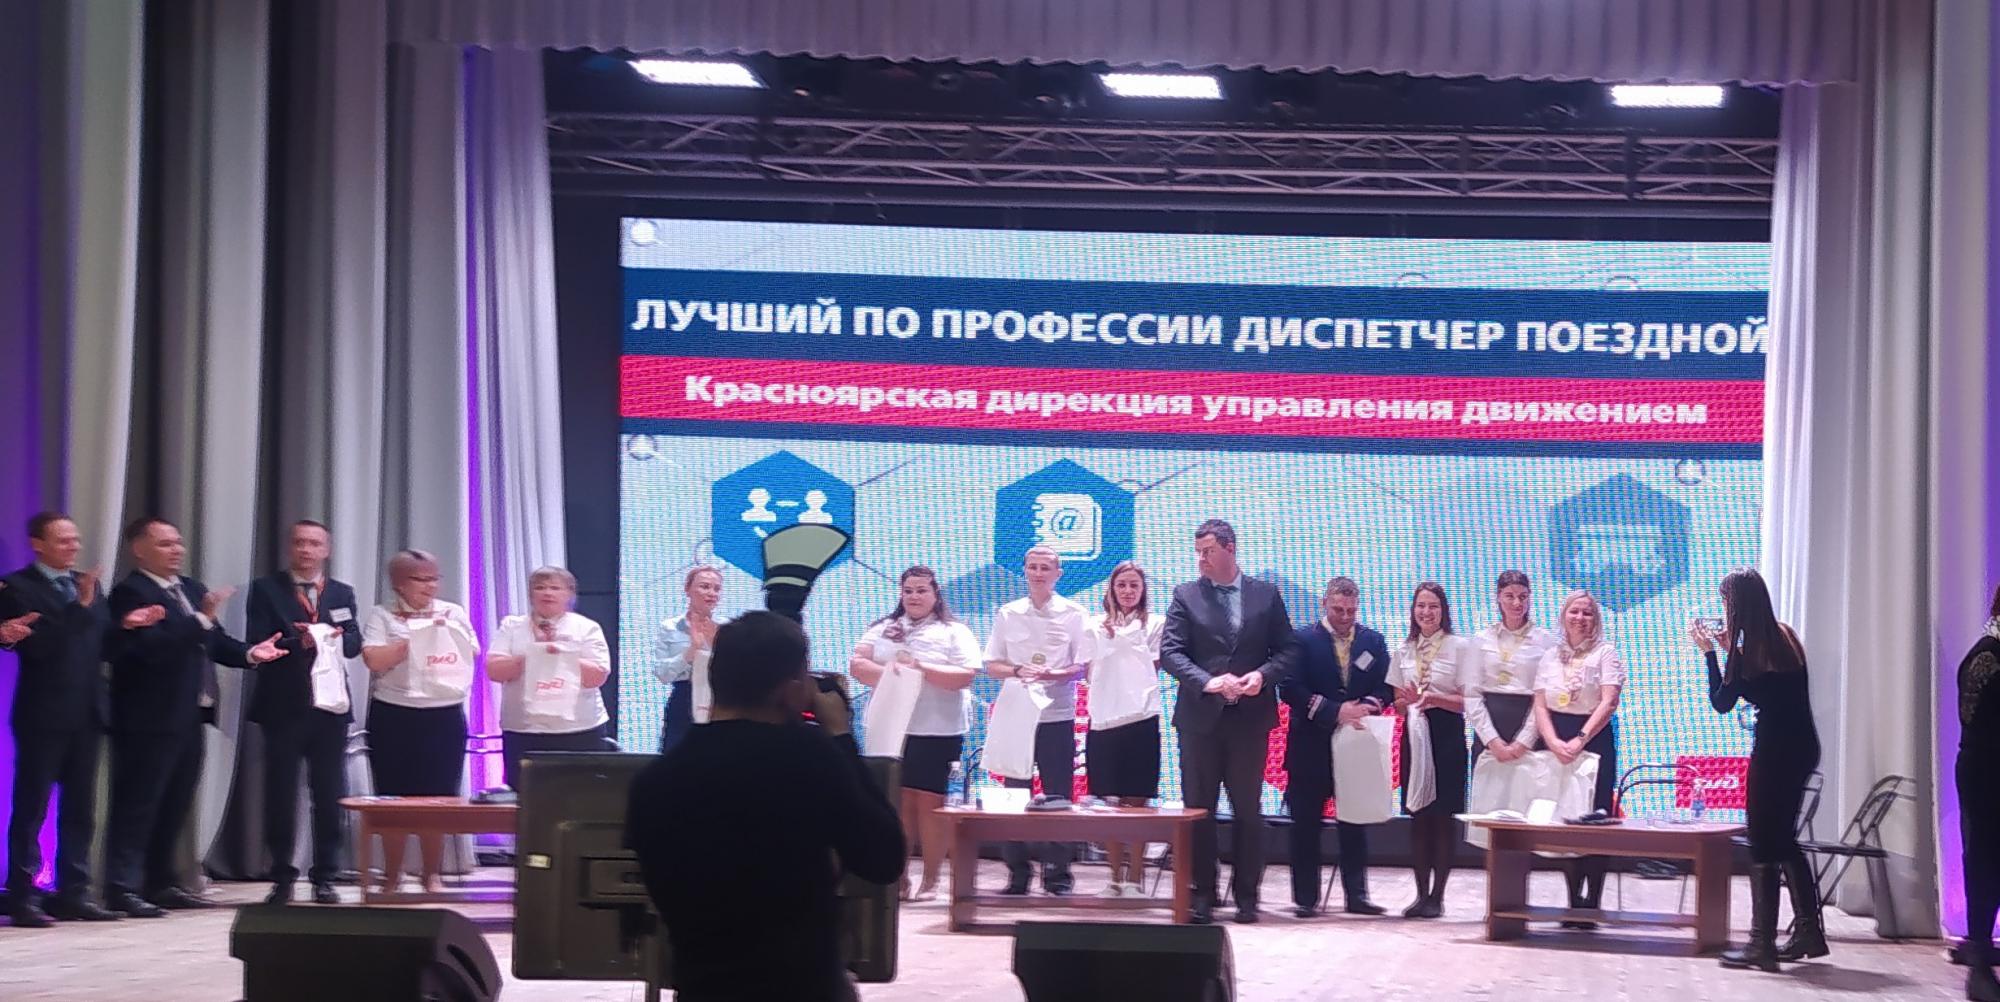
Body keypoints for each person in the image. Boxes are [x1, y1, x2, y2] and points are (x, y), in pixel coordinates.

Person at [628, 611, 905, 1002]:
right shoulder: (809, 759)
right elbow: (883, 858)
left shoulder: (656, 780)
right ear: (791, 690)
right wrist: (841, 737)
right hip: (803, 986)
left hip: (703, 986)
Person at [105, 517, 281, 917]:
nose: (176, 550)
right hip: (147, 718)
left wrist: (251, 654)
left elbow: (213, 642)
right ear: (139, 549)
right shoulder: (130, 593)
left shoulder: (190, 589)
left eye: (178, 542)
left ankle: (160, 881)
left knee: (175, 802)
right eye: (165, 544)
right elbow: (150, 649)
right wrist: (199, 620)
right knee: (139, 803)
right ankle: (121, 886)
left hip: (190, 715)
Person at [1160, 519, 1296, 925]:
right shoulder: (1185, 595)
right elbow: (1171, 653)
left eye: (1208, 551)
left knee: (1248, 811)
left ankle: (1247, 896)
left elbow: (1288, 651)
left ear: (1230, 548)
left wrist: (1261, 677)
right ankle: (1203, 892)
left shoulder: (1265, 594)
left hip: (1249, 720)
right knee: (1198, 810)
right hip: (1200, 719)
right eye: (1198, 552)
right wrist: (1208, 681)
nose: (1201, 559)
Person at [1692, 568, 1823, 972]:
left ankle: (1760, 943)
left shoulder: (1746, 652)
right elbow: (1765, 686)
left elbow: (1722, 702)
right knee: (1784, 839)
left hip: (1774, 753)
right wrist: (1732, 651)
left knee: (1763, 841)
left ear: (1736, 605)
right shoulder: (1784, 637)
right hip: (1803, 748)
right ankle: (1808, 932)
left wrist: (1711, 654)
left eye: (1725, 602)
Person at [0, 512, 117, 925]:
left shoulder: (87, 584)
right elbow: (39, 646)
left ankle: (74, 891)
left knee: (81, 808)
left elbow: (100, 642)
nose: (73, 547)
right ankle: (23, 894)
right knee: (32, 806)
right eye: (64, 540)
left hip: (87, 712)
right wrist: (80, 608)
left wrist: (128, 627)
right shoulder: (17, 588)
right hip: (43, 713)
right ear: (38, 544)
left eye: (75, 539)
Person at [243, 520, 363, 906]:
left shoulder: (341, 592)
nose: (306, 550)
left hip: (330, 709)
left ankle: (325, 876)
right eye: (299, 543)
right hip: (283, 706)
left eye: (314, 543)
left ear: (326, 550)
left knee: (329, 795)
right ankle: (281, 876)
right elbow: (260, 640)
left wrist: (334, 638)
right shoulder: (266, 589)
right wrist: (303, 641)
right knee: (280, 793)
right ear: (289, 548)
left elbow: (353, 644)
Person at [849, 566, 979, 902]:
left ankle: (932, 880)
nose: (914, 597)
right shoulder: (884, 628)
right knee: (897, 802)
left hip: (938, 729)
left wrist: (920, 670)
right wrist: (896, 675)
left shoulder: (953, 631)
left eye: (921, 591)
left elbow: (965, 675)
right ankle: (899, 877)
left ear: (935, 594)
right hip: (891, 727)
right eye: (908, 591)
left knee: (931, 803)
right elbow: (858, 664)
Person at [359, 549, 480, 894]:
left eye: (433, 578)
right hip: (394, 713)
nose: (429, 586)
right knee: (392, 797)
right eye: (420, 579)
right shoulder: (383, 615)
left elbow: (472, 651)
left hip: (443, 713)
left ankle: (432, 874)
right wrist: (414, 636)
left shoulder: (452, 612)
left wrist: (440, 628)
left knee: (437, 798)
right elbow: (373, 659)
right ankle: (392, 874)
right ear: (399, 583)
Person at [1279, 575, 1393, 918]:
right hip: (1309, 745)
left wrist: (1366, 707)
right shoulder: (1302, 640)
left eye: (1350, 611)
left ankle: (1357, 895)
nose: (1344, 617)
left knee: (1354, 821)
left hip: (1355, 743)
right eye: (1338, 609)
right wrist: (1334, 711)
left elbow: (1387, 687)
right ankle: (1306, 899)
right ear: (1324, 604)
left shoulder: (1373, 640)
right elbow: (1290, 688)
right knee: (1305, 824)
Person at [982, 545, 1089, 896]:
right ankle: (1017, 873)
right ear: (1025, 571)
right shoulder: (1008, 613)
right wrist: (1017, 670)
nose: (1039, 573)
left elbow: (1083, 667)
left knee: (1058, 796)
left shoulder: (1075, 613)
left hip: (1057, 715)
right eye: (1033, 567)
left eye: (1045, 568)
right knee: (1014, 795)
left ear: (1058, 574)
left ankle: (1058, 874)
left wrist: (1055, 674)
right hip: (1016, 712)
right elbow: (992, 665)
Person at [1533, 589, 1623, 929]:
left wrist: (1581, 738)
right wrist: (1553, 741)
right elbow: (1539, 703)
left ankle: (1592, 904)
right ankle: (1572, 902)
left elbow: (1609, 701)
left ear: (1595, 619)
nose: (1580, 618)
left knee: (1594, 820)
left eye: (1587, 613)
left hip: (1594, 739)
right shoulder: (1549, 656)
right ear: (1563, 616)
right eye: (1574, 612)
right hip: (1557, 738)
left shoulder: (1605, 652)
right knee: (1565, 817)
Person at [1387, 581, 1477, 919]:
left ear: (1444, 611)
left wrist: (1434, 698)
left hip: (1446, 734)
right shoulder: (1404, 650)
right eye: (1421, 606)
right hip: (1414, 734)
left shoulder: (1460, 647)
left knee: (1442, 817)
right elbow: (1396, 702)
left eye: (1433, 606)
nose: (1426, 612)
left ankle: (1438, 896)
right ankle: (1420, 894)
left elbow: (1469, 701)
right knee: (1419, 817)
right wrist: (1408, 702)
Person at [486, 566, 614, 789]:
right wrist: (534, 653)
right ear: (530, 594)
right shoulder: (512, 626)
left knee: (582, 797)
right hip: (524, 729)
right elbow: (494, 671)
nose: (547, 593)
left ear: (570, 594)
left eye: (555, 588)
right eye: (540, 587)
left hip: (579, 729)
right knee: (525, 798)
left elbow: (597, 676)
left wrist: (562, 654)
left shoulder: (586, 627)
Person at [1084, 561, 1164, 899]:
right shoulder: (1093, 625)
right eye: (1122, 585)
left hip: (1141, 719)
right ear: (1112, 589)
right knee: (1110, 804)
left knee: (1137, 802)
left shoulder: (1156, 624)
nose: (1128, 591)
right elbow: (1087, 669)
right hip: (1104, 720)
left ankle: (1135, 878)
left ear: (1143, 590)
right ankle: (1114, 877)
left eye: (1134, 585)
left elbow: (1153, 666)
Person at [1957, 584, 2000, 1001]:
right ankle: (1980, 964)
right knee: (1985, 862)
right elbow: (1973, 720)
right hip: (1986, 772)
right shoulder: (1986, 656)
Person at [1467, 571, 1557, 769]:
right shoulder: (1481, 639)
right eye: (1510, 596)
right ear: (1498, 597)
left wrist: (1524, 741)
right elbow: (1471, 694)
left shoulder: (1546, 641)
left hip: (1530, 727)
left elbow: (1546, 696)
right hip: (1489, 729)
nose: (1517, 603)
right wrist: (1492, 740)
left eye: (1523, 597)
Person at [652, 566, 726, 754]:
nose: (711, 593)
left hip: (720, 700)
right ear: (688, 589)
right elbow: (662, 674)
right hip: (683, 699)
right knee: (676, 758)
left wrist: (715, 645)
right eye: (705, 586)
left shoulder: (728, 628)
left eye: (716, 589)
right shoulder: (669, 627)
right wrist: (691, 651)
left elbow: (739, 673)